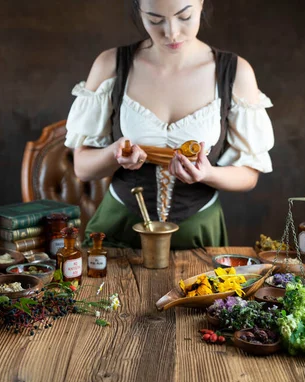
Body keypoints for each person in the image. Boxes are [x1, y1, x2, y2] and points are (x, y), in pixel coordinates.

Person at [64, 0, 274, 249]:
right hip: (118, 231)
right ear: (139, 12)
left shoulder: (235, 72)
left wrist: (208, 174)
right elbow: (83, 168)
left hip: (198, 234)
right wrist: (115, 154)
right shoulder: (110, 64)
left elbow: (249, 175)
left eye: (184, 17)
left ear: (200, 4)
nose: (171, 32)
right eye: (155, 20)